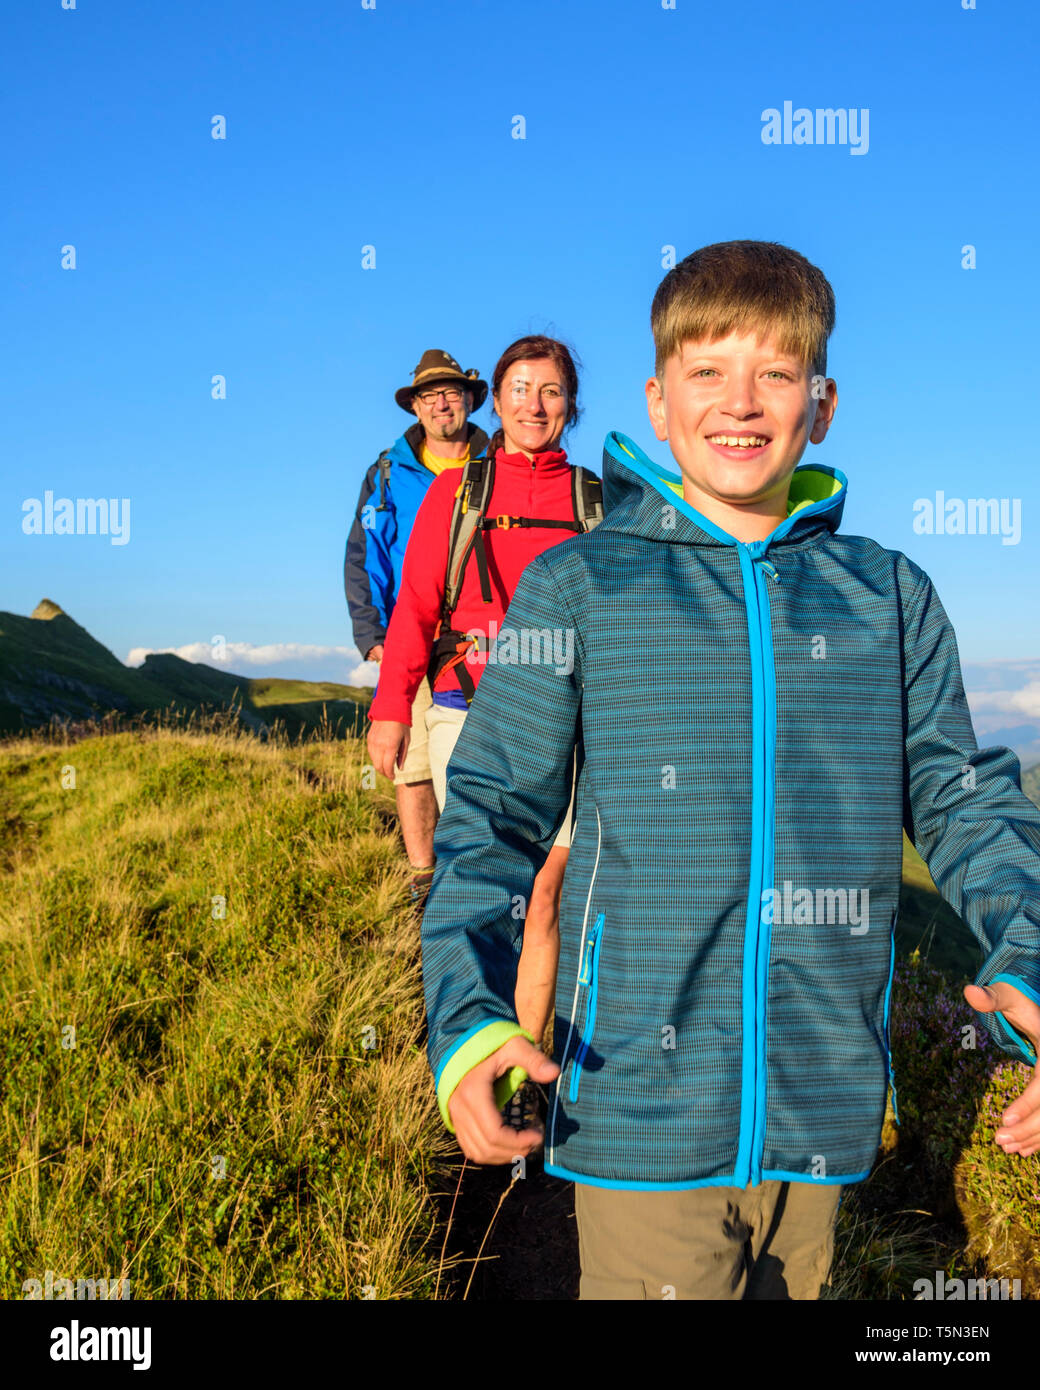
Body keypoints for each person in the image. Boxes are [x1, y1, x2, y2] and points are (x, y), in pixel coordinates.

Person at [416, 240, 1040, 1300]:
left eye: (776, 372)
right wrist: (465, 1017)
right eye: (705, 371)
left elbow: (959, 794)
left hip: (824, 1108)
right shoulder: (579, 586)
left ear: (822, 403)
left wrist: (1028, 956)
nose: (738, 403)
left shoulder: (886, 595)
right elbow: (488, 813)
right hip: (633, 1107)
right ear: (657, 401)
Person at [366, 335, 603, 1047]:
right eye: (521, 389)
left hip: (567, 725)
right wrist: (388, 711)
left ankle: (522, 1066)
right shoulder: (457, 490)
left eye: (552, 391)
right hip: (467, 709)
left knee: (544, 900)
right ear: (494, 402)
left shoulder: (596, 500)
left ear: (571, 406)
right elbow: (413, 607)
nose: (535, 405)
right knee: (481, 893)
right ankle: (468, 1051)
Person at [344, 350, 488, 896]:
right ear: (416, 407)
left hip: (484, 637)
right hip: (411, 635)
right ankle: (425, 880)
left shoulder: (498, 462)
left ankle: (483, 874)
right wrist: (373, 637)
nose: (441, 403)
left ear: (472, 399)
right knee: (415, 764)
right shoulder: (387, 471)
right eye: (429, 396)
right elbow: (364, 556)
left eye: (451, 392)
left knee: (485, 759)